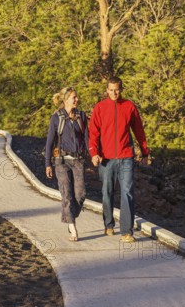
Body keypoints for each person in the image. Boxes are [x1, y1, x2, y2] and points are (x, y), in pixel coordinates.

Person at [89, 76, 150, 242]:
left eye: (116, 89)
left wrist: (145, 153)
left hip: (126, 157)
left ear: (121, 89)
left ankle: (126, 232)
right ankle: (109, 224)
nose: (114, 92)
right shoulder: (100, 108)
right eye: (111, 90)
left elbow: (139, 131)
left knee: (127, 193)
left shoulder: (129, 106)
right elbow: (93, 132)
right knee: (107, 192)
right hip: (106, 159)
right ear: (107, 90)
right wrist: (94, 153)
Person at [45, 87, 88, 241]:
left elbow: (87, 138)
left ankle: (68, 215)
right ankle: (72, 226)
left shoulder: (81, 116)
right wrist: (47, 164)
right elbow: (50, 142)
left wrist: (93, 154)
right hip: (61, 162)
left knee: (80, 194)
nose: (77, 100)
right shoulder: (56, 118)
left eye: (76, 97)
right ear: (66, 100)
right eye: (74, 97)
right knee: (67, 195)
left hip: (78, 161)